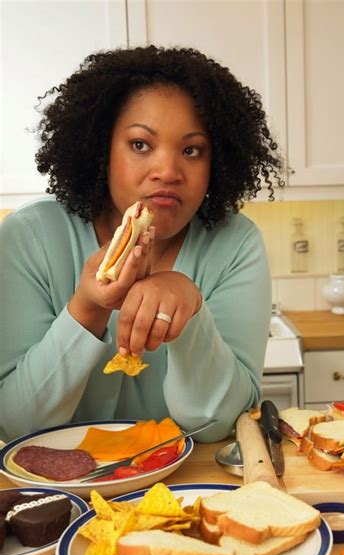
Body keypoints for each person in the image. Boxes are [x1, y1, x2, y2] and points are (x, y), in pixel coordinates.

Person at [0, 45, 283, 442]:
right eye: (140, 145)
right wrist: (86, 307)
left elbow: (218, 424)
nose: (168, 171)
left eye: (191, 150)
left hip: (190, 494)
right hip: (60, 500)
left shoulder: (237, 245)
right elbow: (16, 425)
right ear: (102, 150)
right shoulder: (27, 238)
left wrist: (190, 310)